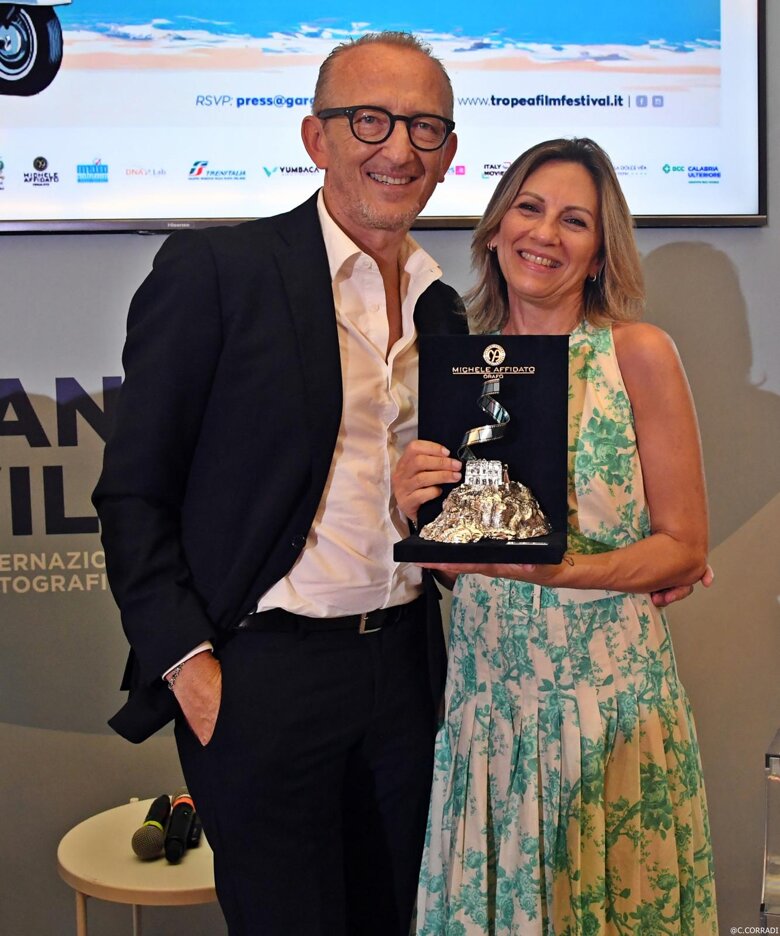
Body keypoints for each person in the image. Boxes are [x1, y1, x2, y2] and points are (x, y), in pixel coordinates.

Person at [93, 32, 467, 936]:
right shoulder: (221, 273)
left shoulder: (442, 307)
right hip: (263, 678)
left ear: (448, 152)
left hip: (407, 671)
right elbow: (133, 493)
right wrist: (190, 667)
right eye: (370, 120)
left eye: (424, 127)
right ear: (315, 138)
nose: (399, 147)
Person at [393, 138, 718, 934]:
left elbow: (684, 547)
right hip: (488, 710)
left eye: (575, 220)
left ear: (601, 251)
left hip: (610, 713)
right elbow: (457, 563)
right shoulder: (450, 366)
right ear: (496, 228)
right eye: (529, 209)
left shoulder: (637, 354)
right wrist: (410, 510)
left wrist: (556, 571)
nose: (544, 234)